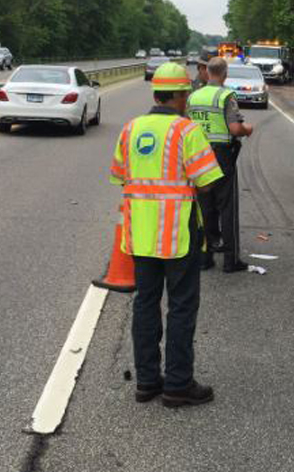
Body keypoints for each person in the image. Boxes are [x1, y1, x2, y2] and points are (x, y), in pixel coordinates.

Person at [109, 62, 223, 407]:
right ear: (179, 95)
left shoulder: (130, 129)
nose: (186, 100)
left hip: (140, 235)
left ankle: (146, 382)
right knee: (181, 307)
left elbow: (120, 175)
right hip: (177, 235)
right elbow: (208, 181)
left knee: (145, 304)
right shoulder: (186, 131)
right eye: (185, 94)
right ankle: (177, 384)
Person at [188, 57, 254, 273]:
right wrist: (248, 129)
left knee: (204, 207)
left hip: (198, 155)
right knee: (227, 207)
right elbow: (235, 129)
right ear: (225, 74)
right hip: (221, 155)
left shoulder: (194, 96)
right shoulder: (226, 96)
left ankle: (204, 258)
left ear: (207, 72)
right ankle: (230, 260)